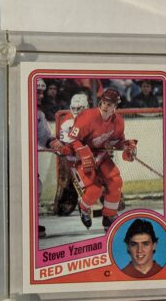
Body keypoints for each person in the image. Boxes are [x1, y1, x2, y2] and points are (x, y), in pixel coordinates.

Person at [57, 88, 137, 231]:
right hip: (80, 158)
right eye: (104, 102)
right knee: (94, 190)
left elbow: (117, 141)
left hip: (100, 155)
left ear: (115, 106)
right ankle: (83, 208)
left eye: (110, 104)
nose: (106, 106)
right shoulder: (87, 117)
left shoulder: (118, 122)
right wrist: (84, 152)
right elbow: (73, 139)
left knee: (116, 181)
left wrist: (127, 147)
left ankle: (109, 216)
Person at [36, 78, 64, 237]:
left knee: (36, 186)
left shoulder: (38, 114)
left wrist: (55, 144)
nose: (41, 96)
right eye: (38, 92)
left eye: (42, 92)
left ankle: (30, 221)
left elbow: (44, 137)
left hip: (26, 162)